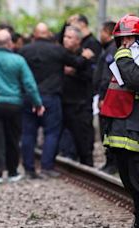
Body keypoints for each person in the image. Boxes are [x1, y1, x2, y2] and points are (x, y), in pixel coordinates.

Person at [19, 23, 93, 178]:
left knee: (28, 133)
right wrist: (85, 57)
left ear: (34, 34)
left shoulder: (24, 51)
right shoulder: (57, 50)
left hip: (29, 97)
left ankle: (29, 169)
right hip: (51, 97)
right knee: (52, 132)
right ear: (48, 34)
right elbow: (77, 63)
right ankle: (46, 167)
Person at [0, 29, 44, 184]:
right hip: (15, 104)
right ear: (10, 43)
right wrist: (37, 103)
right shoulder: (18, 60)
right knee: (13, 138)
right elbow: (29, 84)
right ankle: (12, 172)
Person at [100, 14, 139, 228]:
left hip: (134, 127)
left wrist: (123, 57)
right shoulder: (122, 57)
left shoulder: (125, 58)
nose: (124, 43)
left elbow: (135, 80)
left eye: (130, 38)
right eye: (122, 39)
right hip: (120, 126)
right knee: (128, 179)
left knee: (136, 178)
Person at [61, 26, 95, 166]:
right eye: (65, 37)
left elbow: (91, 76)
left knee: (83, 140)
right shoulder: (60, 54)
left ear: (78, 40)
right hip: (62, 102)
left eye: (69, 37)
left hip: (80, 104)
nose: (65, 40)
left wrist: (74, 72)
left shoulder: (87, 55)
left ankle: (87, 165)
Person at [94, 21, 118, 174]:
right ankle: (110, 162)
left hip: (108, 98)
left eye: (102, 31)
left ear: (108, 32)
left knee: (107, 130)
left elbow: (106, 76)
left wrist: (103, 97)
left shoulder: (112, 50)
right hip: (106, 97)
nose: (100, 35)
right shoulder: (109, 49)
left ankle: (112, 162)